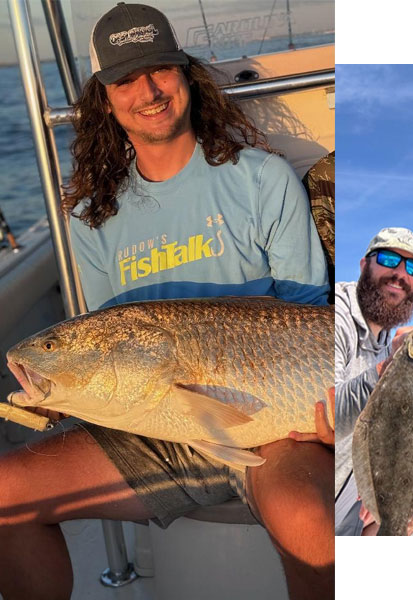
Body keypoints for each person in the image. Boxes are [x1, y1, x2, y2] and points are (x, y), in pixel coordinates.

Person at [0, 4, 332, 600]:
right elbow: (113, 355)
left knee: (310, 524)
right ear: (105, 98)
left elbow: (310, 322)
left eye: (159, 70)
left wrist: (333, 407)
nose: (147, 91)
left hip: (270, 422)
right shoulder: (91, 219)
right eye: (126, 78)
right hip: (147, 424)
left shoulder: (262, 179)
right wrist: (62, 394)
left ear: (185, 75)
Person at [335, 226, 413, 536]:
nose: (400, 274)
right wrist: (388, 369)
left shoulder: (388, 334)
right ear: (365, 265)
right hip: (326, 487)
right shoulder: (335, 316)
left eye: (412, 267)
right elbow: (322, 412)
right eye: (390, 259)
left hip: (363, 481)